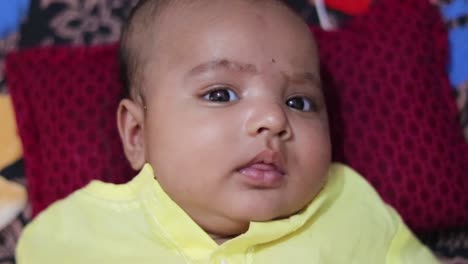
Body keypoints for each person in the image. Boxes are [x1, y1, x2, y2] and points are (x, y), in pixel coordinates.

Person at [16, 0, 439, 263]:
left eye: (299, 102)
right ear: (137, 135)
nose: (273, 119)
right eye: (220, 94)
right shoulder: (75, 235)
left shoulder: (349, 211)